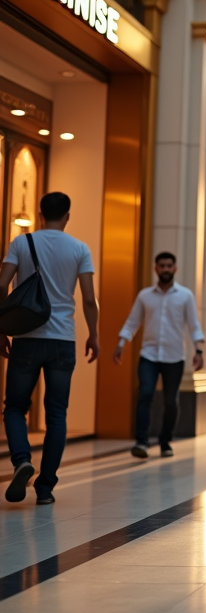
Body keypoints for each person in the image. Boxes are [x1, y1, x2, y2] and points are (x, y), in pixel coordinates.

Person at [1, 192, 98, 505]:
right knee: (57, 414)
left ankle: (21, 460)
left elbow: (2, 285)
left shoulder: (21, 243)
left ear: (40, 213)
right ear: (67, 216)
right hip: (62, 340)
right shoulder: (79, 248)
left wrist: (1, 327)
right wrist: (93, 334)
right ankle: (45, 488)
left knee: (15, 407)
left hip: (26, 338)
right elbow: (87, 298)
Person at [115, 252, 204, 459]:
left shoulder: (185, 296)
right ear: (156, 268)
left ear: (175, 269)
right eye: (161, 266)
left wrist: (198, 351)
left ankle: (165, 441)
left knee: (171, 401)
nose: (165, 269)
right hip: (149, 355)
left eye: (169, 266)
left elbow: (194, 326)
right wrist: (121, 342)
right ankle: (142, 441)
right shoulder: (145, 295)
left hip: (174, 357)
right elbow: (132, 322)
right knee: (145, 394)